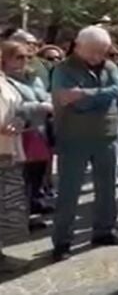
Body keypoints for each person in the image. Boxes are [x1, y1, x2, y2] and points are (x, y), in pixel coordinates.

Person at [51, 26, 118, 261]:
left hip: (107, 135)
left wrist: (86, 93)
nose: (98, 56)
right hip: (74, 138)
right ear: (78, 46)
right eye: (93, 51)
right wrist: (100, 96)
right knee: (69, 191)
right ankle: (62, 241)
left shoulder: (110, 67)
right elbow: (73, 102)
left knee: (107, 187)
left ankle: (105, 230)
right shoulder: (63, 70)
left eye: (102, 51)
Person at [3, 41, 53, 221]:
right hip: (20, 133)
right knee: (21, 178)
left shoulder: (33, 77)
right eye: (19, 57)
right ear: (6, 59)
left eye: (28, 57)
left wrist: (49, 101)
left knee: (37, 173)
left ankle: (34, 205)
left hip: (38, 130)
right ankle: (21, 216)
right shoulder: (5, 81)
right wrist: (40, 106)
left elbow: (45, 94)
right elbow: (13, 107)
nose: (24, 61)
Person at [0, 43, 28, 273]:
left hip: (7, 150)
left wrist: (19, 121)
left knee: (5, 206)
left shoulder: (5, 82)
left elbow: (18, 109)